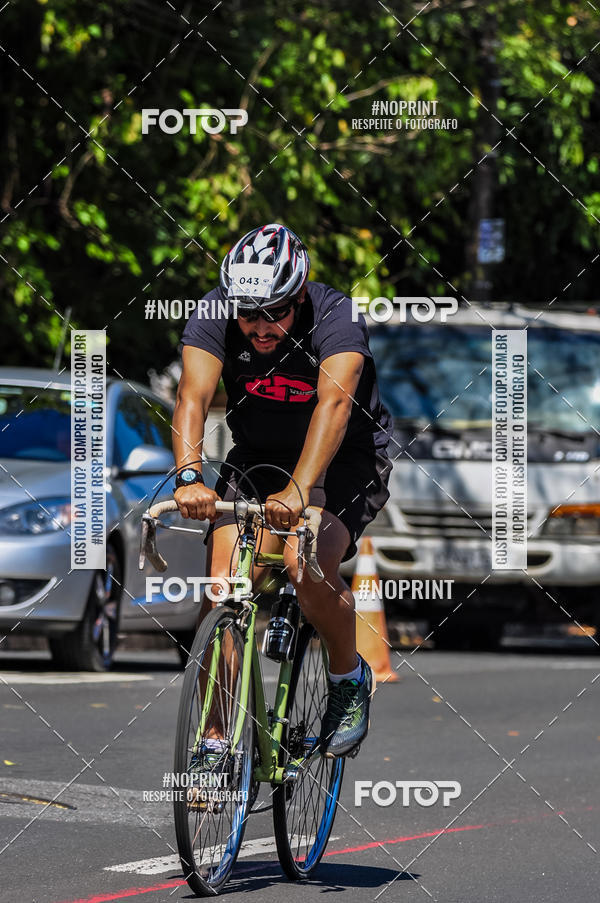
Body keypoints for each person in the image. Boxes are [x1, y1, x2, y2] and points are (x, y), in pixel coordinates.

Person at [172, 222, 392, 758]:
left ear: (299, 295)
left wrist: (301, 490)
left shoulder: (336, 317)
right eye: (248, 313)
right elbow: (193, 396)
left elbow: (334, 405)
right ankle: (216, 739)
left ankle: (347, 678)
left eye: (275, 312)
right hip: (258, 458)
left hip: (344, 460)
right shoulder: (215, 312)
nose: (261, 326)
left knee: (304, 562)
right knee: (223, 588)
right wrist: (189, 476)